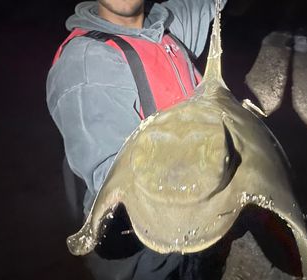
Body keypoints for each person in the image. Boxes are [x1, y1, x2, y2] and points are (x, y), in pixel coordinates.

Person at [46, 0, 227, 279]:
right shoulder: (87, 63)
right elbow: (123, 185)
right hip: (140, 238)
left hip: (192, 219)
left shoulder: (164, 26)